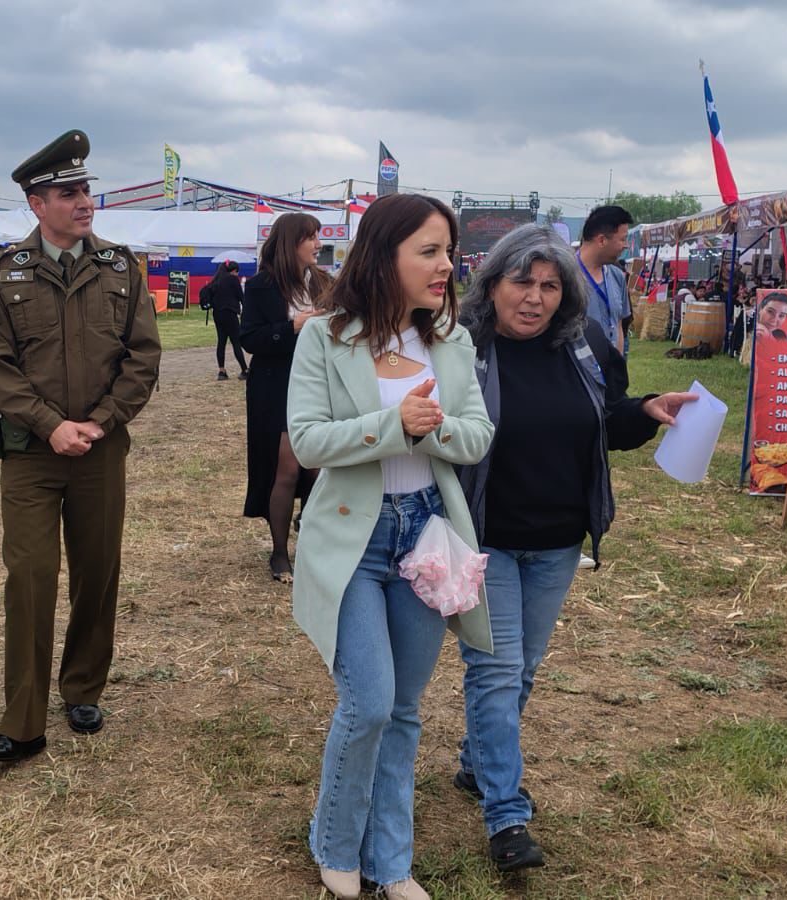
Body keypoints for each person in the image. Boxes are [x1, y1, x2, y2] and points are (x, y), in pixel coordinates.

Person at [451, 224, 696, 870]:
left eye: (550, 285)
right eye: (522, 282)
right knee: (497, 672)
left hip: (558, 541)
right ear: (493, 284)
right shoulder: (462, 352)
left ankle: (478, 761)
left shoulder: (580, 346)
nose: (535, 297)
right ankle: (506, 817)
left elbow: (604, 421)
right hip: (486, 540)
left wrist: (645, 409)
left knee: (522, 669)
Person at [288, 193, 494, 900]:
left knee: (405, 707)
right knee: (369, 701)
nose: (446, 266)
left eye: (448, 251)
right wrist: (391, 426)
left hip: (429, 532)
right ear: (385, 255)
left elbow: (475, 436)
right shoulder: (325, 336)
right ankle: (333, 840)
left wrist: (427, 428)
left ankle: (391, 865)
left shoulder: (452, 341)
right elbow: (309, 440)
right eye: (429, 251)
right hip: (353, 538)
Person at [0, 130, 161, 764]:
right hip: (30, 450)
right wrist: (51, 424)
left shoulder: (120, 269)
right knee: (29, 576)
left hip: (100, 450)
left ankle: (82, 686)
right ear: (36, 203)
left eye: (86, 190)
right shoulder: (5, 273)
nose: (84, 202)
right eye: (68, 192)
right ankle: (23, 721)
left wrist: (102, 422)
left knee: (96, 570)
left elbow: (142, 358)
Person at [241, 212, 332, 582]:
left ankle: (310, 541)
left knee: (318, 469)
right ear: (291, 242)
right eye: (311, 237)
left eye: (318, 237)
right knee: (287, 469)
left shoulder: (326, 282)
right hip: (275, 387)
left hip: (319, 385)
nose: (317, 244)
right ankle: (280, 553)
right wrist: (291, 327)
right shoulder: (262, 285)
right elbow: (250, 339)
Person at [575, 205, 634, 355]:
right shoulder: (564, 276)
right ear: (602, 240)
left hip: (609, 372)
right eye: (623, 239)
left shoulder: (617, 276)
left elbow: (618, 324)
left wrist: (617, 365)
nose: (626, 246)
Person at [203, 260, 248, 380]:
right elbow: (241, 297)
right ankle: (244, 369)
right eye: (237, 272)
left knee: (221, 342)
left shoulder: (215, 281)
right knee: (236, 342)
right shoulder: (233, 280)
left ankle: (221, 371)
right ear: (233, 271)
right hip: (230, 313)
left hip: (217, 314)